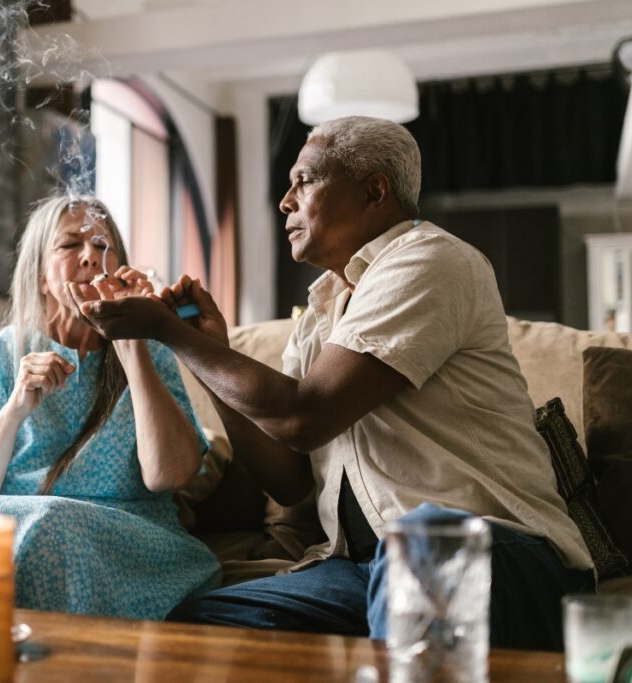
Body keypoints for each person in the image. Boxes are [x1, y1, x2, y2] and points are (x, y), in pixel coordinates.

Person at [68, 116, 593, 650]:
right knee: (195, 632)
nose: (285, 201)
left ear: (373, 191)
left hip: (497, 551)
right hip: (362, 567)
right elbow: (291, 479)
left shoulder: (430, 260)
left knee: (416, 549)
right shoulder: (322, 309)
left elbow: (304, 414)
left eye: (305, 181)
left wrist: (168, 332)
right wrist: (214, 355)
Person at [0, 195, 220, 620]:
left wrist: (132, 346)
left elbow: (169, 474)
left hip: (130, 542)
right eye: (69, 246)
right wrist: (15, 408)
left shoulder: (152, 354)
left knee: (51, 522)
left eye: (103, 246)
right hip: (13, 534)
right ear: (41, 276)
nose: (90, 257)